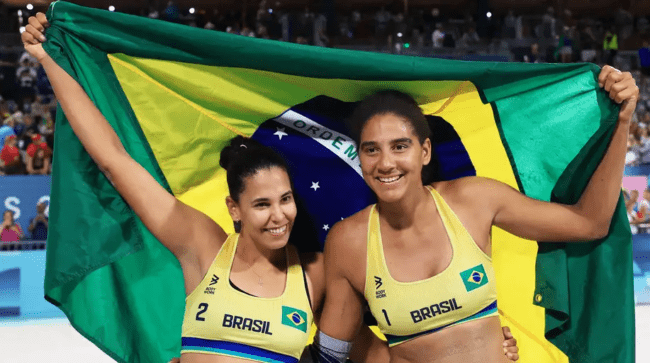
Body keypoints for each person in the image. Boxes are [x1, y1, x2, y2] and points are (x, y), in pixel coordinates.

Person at [23, 13, 520, 363]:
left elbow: (367, 352)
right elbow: (114, 161)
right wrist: (50, 61)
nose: (279, 215)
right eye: (261, 204)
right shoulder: (201, 249)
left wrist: (477, 345)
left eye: (285, 199)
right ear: (233, 209)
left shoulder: (316, 274)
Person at [314, 67, 637, 363]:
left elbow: (588, 224)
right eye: (372, 150)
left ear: (424, 151)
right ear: (360, 156)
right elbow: (334, 349)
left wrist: (621, 120)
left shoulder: (473, 200)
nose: (385, 163)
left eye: (400, 146)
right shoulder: (350, 240)